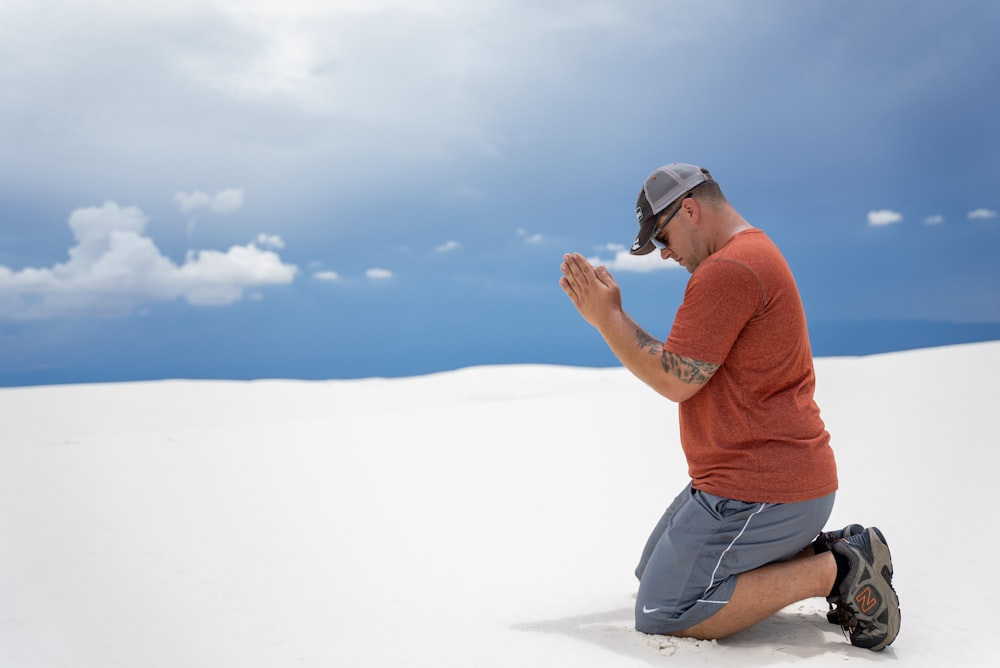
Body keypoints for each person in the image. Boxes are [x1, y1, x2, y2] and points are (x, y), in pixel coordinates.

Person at [558, 163, 900, 651]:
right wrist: (611, 314)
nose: (664, 253)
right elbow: (684, 363)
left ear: (691, 209)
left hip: (760, 488)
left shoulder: (728, 270)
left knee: (665, 609)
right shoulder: (750, 255)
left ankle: (837, 569)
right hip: (758, 483)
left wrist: (607, 317)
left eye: (662, 236)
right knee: (651, 573)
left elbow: (674, 379)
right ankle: (828, 547)